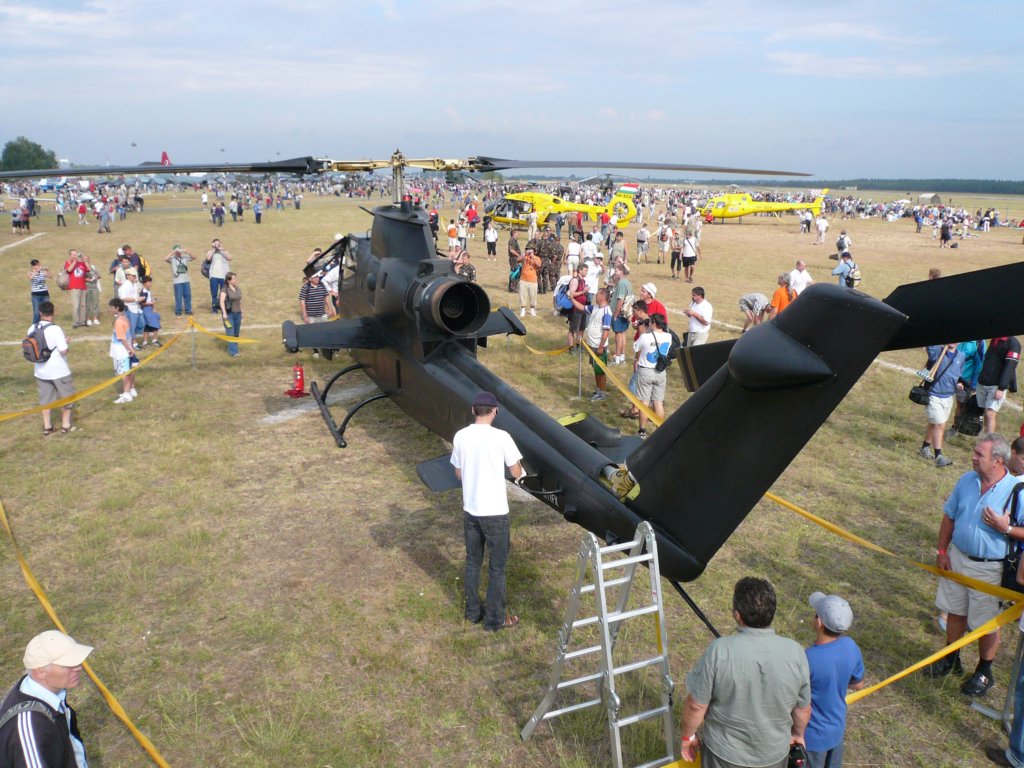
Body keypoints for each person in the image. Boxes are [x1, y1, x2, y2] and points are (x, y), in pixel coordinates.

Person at [924, 433, 1024, 696]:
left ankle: (984, 672)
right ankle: (951, 659)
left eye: (980, 454)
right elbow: (949, 516)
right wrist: (942, 551)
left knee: (986, 623)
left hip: (990, 568)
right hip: (957, 559)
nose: (973, 457)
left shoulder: (1017, 491)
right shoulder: (967, 480)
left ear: (998, 461)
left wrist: (1006, 528)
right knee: (954, 610)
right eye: (974, 452)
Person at [679, 576, 811, 768]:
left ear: (737, 615)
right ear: (772, 613)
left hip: (723, 756)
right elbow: (803, 708)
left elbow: (696, 706)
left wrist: (688, 736)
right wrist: (797, 734)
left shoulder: (719, 651)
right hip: (774, 755)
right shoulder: (796, 652)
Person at [450, 391, 525, 632]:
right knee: (497, 568)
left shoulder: (461, 436)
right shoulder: (502, 437)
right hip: (495, 514)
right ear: (495, 411)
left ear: (473, 410)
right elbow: (516, 471)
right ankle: (495, 619)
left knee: (473, 562)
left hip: (471, 512)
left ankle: (472, 613)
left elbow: (458, 473)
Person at [0, 630, 93, 767]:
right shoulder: (30, 725)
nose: (78, 668)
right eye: (66, 665)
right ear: (40, 672)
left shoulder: (48, 692)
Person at [804, 591, 865, 768]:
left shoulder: (808, 658)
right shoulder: (851, 646)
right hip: (836, 730)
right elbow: (858, 685)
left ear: (819, 622)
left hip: (812, 737)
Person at [27, 301, 75, 435]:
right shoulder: (56, 329)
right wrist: (66, 342)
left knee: (45, 400)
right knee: (67, 398)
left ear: (40, 313)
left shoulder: (32, 328)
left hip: (41, 371)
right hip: (59, 370)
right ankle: (66, 425)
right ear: (53, 312)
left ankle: (47, 427)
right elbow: (63, 350)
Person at [918, 344, 964, 467]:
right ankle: (939, 456)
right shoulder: (937, 351)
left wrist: (958, 384)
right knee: (940, 424)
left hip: (948, 397)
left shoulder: (961, 356)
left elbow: (957, 375)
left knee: (934, 423)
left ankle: (924, 448)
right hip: (933, 395)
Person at [633, 313, 671, 439]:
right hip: (660, 371)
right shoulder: (668, 336)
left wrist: (644, 331)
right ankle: (660, 430)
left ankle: (642, 431)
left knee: (644, 402)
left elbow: (635, 347)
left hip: (646, 371)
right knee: (658, 402)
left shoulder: (645, 337)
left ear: (653, 322)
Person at [976, 336, 1021, 434]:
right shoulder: (994, 339)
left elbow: (1010, 366)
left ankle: (989, 439)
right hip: (983, 382)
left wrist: (1001, 388)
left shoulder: (1013, 343)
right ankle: (986, 437)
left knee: (990, 413)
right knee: (986, 413)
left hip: (996, 385)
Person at [584, 288, 613, 401]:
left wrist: (601, 346)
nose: (596, 296)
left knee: (600, 371)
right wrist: (571, 299)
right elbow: (583, 308)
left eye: (597, 294)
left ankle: (602, 393)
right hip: (592, 345)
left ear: (602, 296)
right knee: (595, 369)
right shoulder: (595, 307)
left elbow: (606, 332)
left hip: (599, 347)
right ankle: (598, 390)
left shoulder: (607, 312)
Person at [109, 297, 138, 403]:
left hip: (121, 350)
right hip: (123, 349)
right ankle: (129, 390)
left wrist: (129, 349)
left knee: (124, 372)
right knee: (128, 370)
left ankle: (126, 395)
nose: (111, 309)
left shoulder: (119, 321)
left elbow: (122, 338)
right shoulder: (124, 318)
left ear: (117, 308)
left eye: (112, 307)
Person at [610, 264, 633, 365]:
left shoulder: (622, 283)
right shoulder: (627, 282)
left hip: (619, 314)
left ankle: (617, 358)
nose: (615, 272)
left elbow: (620, 300)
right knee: (623, 334)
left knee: (618, 335)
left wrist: (615, 315)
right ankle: (622, 357)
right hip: (625, 314)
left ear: (622, 272)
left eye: (616, 271)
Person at [164, 244, 194, 316]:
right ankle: (178, 311)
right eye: (177, 251)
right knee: (178, 296)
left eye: (179, 251)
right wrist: (173, 252)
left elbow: (194, 257)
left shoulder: (184, 257)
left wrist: (187, 252)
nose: (179, 252)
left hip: (186, 280)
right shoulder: (172, 259)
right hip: (177, 281)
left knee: (188, 296)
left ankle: (188, 310)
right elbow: (165, 259)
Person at [63, 250, 89, 328]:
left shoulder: (81, 263)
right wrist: (75, 261)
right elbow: (69, 270)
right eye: (73, 254)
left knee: (83, 305)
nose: (75, 256)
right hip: (74, 287)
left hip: (83, 286)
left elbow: (88, 269)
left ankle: (82, 322)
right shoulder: (68, 262)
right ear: (70, 255)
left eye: (76, 254)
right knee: (75, 306)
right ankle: (76, 322)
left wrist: (85, 261)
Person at [205, 239, 232, 313]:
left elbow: (230, 258)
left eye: (218, 243)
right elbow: (208, 259)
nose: (217, 245)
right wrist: (214, 249)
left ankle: (225, 308)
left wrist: (222, 249)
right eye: (215, 243)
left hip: (223, 276)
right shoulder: (210, 252)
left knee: (224, 293)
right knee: (214, 293)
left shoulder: (223, 251)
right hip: (214, 276)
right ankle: (215, 309)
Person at [220, 272, 243, 357]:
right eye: (233, 279)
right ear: (228, 280)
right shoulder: (225, 290)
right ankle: (234, 352)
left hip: (238, 314)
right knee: (230, 332)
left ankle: (235, 349)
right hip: (229, 315)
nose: (235, 280)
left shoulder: (237, 288)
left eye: (235, 278)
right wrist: (224, 313)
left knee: (236, 333)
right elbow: (221, 302)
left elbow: (239, 301)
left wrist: (241, 312)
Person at [517, 245, 542, 318]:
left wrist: (532, 257)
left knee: (533, 296)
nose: (529, 250)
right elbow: (518, 260)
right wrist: (524, 254)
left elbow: (539, 265)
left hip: (533, 280)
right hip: (523, 279)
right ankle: (523, 310)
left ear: (534, 251)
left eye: (530, 249)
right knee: (522, 295)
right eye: (528, 249)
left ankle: (532, 309)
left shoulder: (537, 258)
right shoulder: (524, 257)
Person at [28, 259, 51, 325]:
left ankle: (44, 325)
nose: (38, 266)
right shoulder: (30, 273)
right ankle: (34, 326)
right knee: (36, 313)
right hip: (36, 295)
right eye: (36, 265)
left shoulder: (42, 272)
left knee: (46, 311)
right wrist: (36, 271)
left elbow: (50, 276)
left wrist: (47, 271)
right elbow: (30, 278)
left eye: (38, 265)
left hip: (45, 294)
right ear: (33, 266)